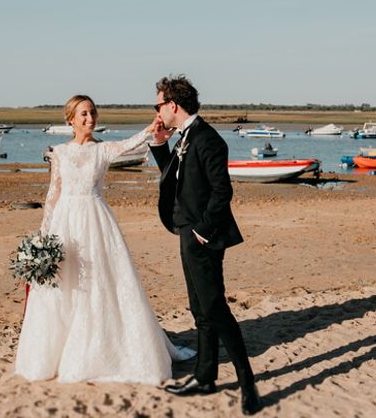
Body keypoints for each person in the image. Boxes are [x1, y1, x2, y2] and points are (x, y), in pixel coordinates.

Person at [15, 94, 192, 385]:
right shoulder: (59, 152)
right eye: (83, 114)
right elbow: (53, 194)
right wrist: (43, 234)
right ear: (70, 119)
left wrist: (151, 128)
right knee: (64, 286)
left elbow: (130, 144)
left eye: (93, 113)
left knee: (100, 283)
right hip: (64, 223)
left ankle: (101, 351)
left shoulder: (103, 150)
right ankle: (53, 356)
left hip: (96, 221)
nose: (90, 119)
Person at [149, 75, 263, 415]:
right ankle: (205, 376)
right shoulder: (184, 136)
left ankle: (248, 384)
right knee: (199, 309)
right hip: (186, 229)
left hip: (204, 234)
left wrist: (202, 230)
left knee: (215, 309)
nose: (157, 111)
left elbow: (222, 192)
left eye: (158, 105)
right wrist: (159, 145)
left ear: (172, 104)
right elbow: (177, 178)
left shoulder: (208, 139)